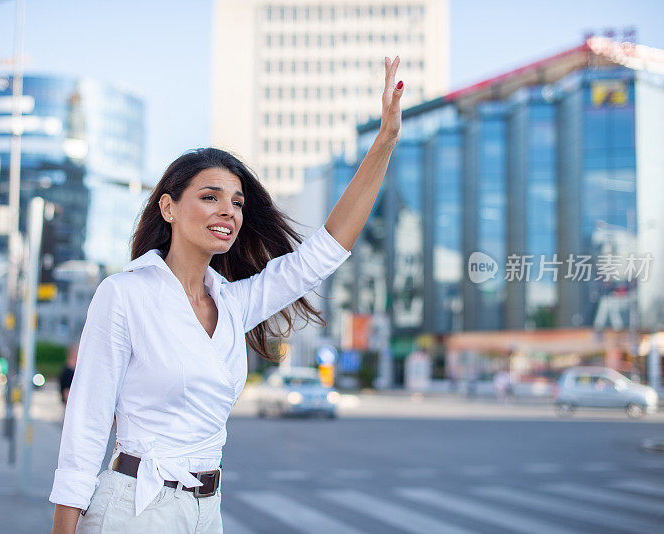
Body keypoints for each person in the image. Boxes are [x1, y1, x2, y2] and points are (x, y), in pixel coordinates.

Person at [50, 56, 404, 534]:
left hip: (206, 510)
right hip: (134, 508)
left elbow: (326, 251)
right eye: (210, 196)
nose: (229, 212)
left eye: (237, 202)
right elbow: (86, 425)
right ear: (169, 207)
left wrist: (384, 142)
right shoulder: (124, 295)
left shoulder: (235, 304)